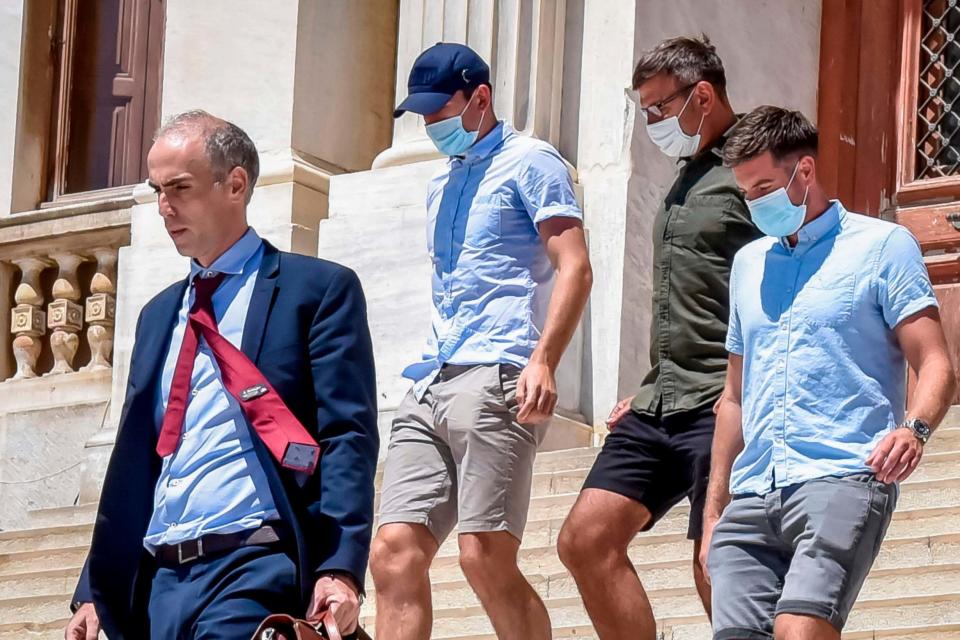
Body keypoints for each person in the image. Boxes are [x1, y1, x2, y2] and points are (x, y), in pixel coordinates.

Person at [64, 110, 379, 640]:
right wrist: (95, 585)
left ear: (235, 183)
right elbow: (139, 456)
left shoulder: (317, 291)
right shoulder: (157, 315)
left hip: (254, 560)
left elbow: (347, 435)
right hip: (159, 578)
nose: (165, 208)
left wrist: (341, 565)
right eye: (157, 190)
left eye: (180, 188)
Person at [703, 105, 957, 640]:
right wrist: (713, 513)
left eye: (764, 188)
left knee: (800, 631)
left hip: (841, 476)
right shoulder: (748, 264)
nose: (754, 204)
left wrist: (914, 430)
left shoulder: (882, 246)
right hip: (752, 496)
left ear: (805, 172)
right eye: (746, 194)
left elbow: (936, 362)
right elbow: (733, 398)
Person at [368, 43, 593, 640]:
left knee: (483, 554)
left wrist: (544, 359)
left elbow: (575, 266)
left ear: (481, 99)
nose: (430, 125)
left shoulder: (533, 162)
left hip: (499, 372)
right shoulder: (440, 184)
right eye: (422, 114)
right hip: (432, 379)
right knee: (392, 552)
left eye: (440, 111)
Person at [556, 36, 759, 640]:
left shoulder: (756, 165)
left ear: (702, 95)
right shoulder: (686, 174)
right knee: (584, 539)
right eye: (642, 110)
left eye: (657, 109)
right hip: (662, 400)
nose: (650, 123)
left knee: (713, 559)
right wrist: (652, 386)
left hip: (722, 397)